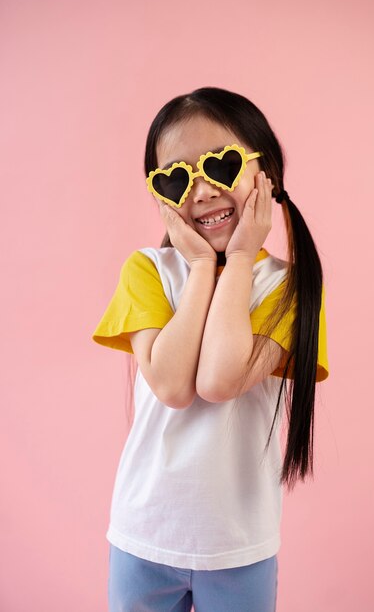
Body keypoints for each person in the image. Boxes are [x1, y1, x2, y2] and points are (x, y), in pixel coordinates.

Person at [92, 86, 329, 612]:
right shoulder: (147, 271)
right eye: (176, 178)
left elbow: (219, 381)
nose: (200, 193)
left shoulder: (288, 288)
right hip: (143, 532)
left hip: (239, 543)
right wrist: (201, 265)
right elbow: (175, 386)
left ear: (264, 173)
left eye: (220, 166)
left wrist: (241, 259)